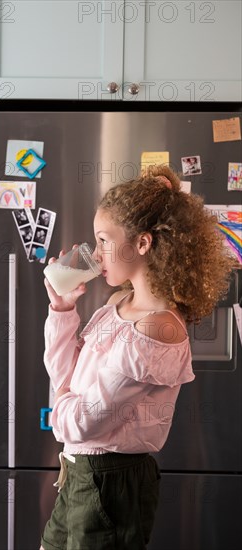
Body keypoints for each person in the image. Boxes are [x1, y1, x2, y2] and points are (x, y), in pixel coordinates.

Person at [39, 164, 237, 550]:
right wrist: (62, 311)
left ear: (143, 243)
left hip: (108, 482)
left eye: (103, 240)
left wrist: (60, 407)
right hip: (79, 473)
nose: (95, 254)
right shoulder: (119, 302)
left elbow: (81, 424)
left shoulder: (156, 329)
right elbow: (63, 379)